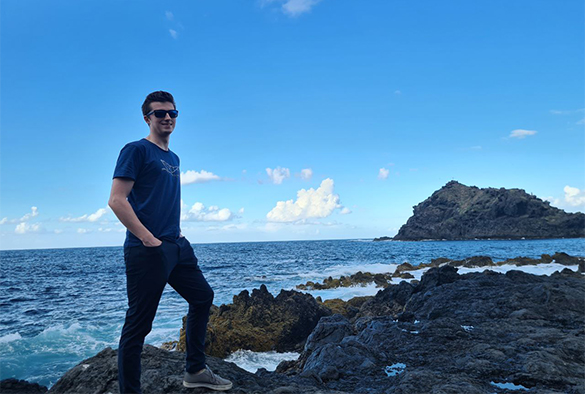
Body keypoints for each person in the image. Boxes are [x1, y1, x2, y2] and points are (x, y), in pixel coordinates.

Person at [109, 91, 232, 393]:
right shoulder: (136, 150)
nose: (167, 117)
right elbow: (117, 200)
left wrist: (175, 236)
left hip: (176, 246)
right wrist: (147, 237)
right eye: (159, 113)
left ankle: (196, 370)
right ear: (147, 118)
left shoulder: (173, 158)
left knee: (203, 296)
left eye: (172, 113)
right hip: (147, 250)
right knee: (139, 325)